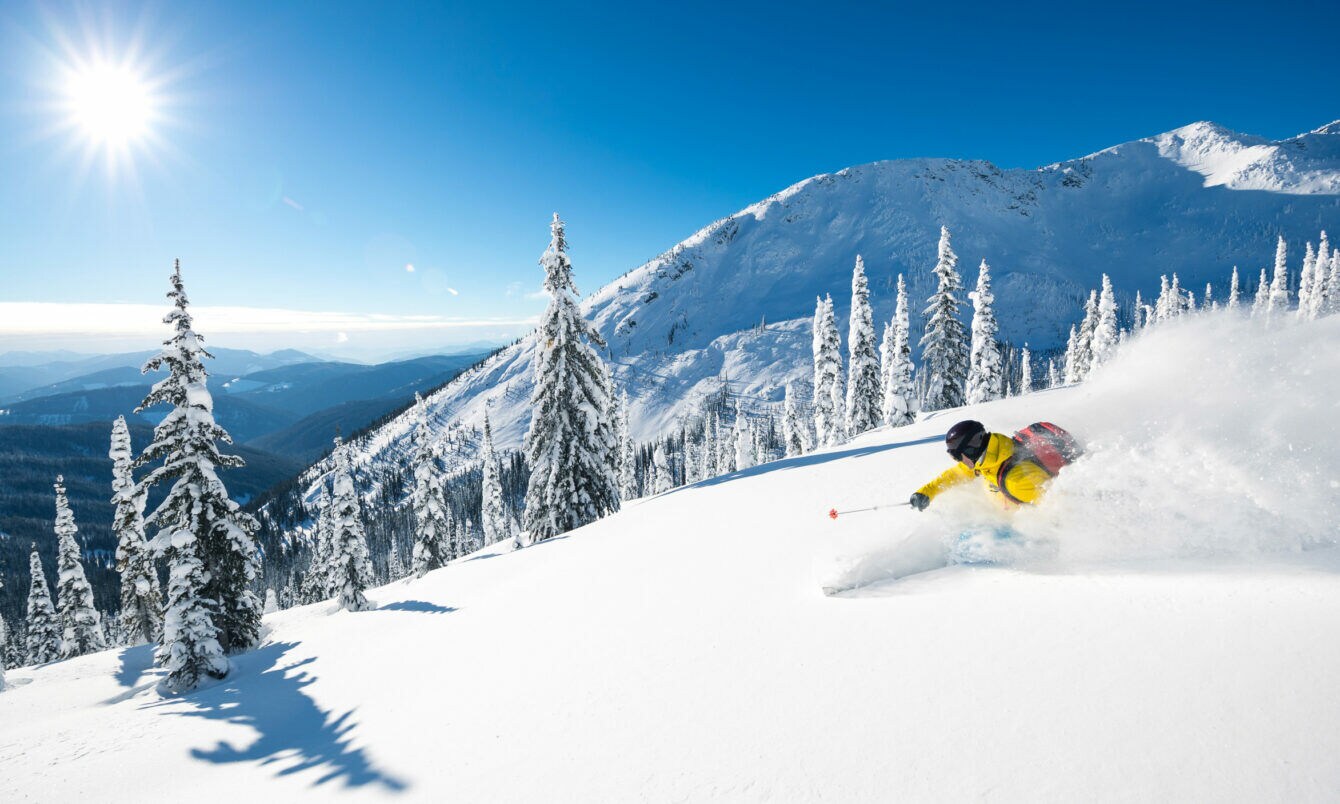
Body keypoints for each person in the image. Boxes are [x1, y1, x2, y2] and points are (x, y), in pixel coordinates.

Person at [909, 420, 1053, 511]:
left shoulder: (1018, 480)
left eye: (957, 456)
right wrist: (926, 492)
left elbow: (1057, 509)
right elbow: (955, 475)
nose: (958, 461)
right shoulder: (989, 460)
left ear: (971, 450)